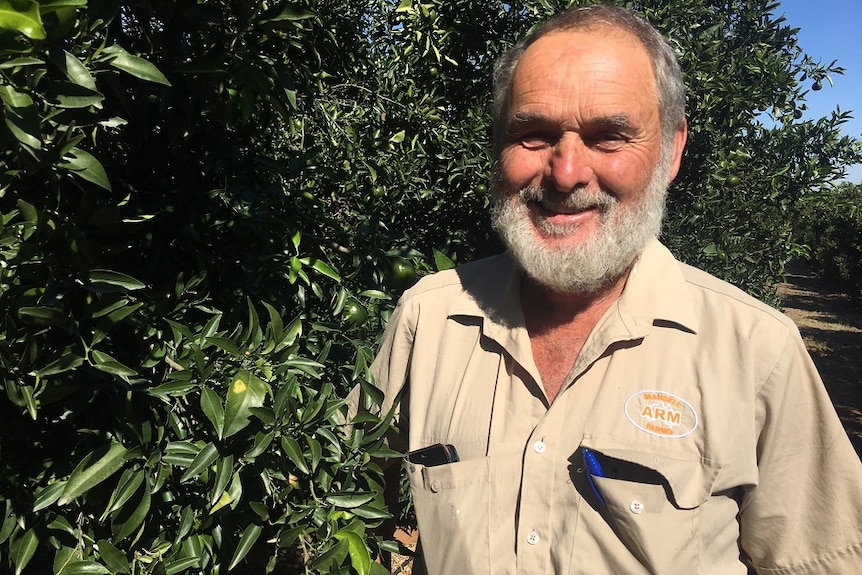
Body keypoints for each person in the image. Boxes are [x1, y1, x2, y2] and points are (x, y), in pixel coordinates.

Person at [361, 5, 862, 574]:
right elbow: (340, 511)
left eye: (608, 136)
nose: (566, 171)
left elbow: (823, 560)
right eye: (534, 134)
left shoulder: (755, 351)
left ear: (671, 152)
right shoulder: (429, 319)